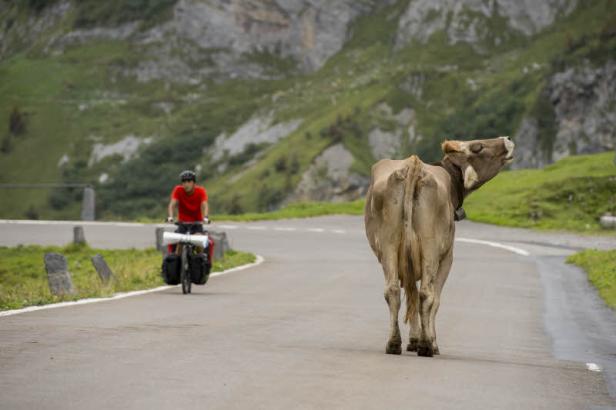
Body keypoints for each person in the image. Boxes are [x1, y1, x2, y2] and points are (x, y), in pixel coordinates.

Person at [167, 170, 210, 254]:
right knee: (179, 244)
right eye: (184, 181)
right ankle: (177, 265)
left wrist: (206, 217)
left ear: (194, 183)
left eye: (189, 181)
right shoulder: (178, 190)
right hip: (182, 223)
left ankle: (199, 262)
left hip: (196, 223)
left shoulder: (200, 191)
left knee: (199, 243)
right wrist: (170, 217)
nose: (186, 184)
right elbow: (172, 204)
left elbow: (205, 205)